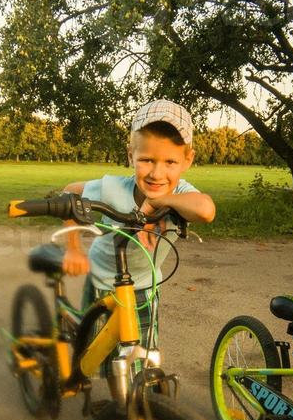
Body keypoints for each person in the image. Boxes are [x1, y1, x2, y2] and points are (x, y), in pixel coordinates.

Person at [60, 99, 216, 347]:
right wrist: (73, 248)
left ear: (187, 160)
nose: (156, 173)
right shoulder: (112, 188)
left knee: (138, 359)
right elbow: (70, 194)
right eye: (146, 160)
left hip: (144, 288)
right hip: (102, 282)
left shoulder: (181, 194)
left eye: (170, 162)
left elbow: (206, 210)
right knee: (99, 356)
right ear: (131, 155)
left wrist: (157, 202)